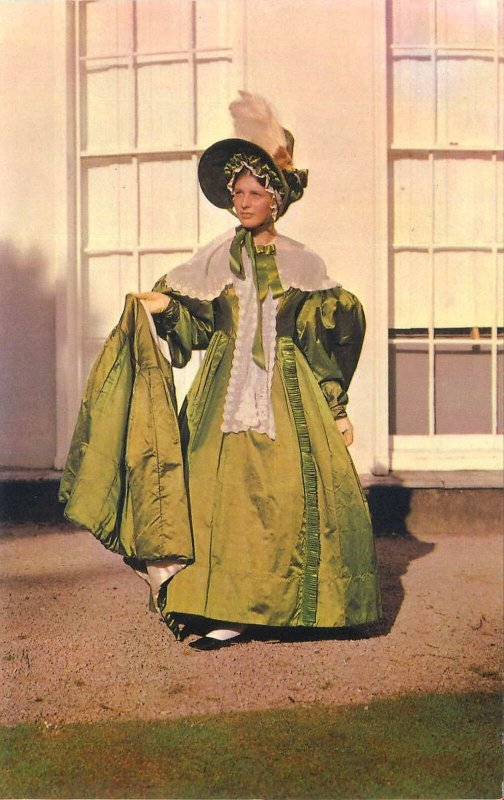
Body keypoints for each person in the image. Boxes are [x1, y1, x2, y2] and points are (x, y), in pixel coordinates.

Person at [131, 94, 382, 649]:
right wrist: (166, 308)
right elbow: (199, 326)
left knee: (284, 496)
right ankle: (219, 604)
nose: (243, 202)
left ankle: (275, 605)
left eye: (255, 193)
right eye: (238, 192)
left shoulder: (304, 264)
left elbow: (323, 340)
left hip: (287, 397)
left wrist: (337, 408)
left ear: (277, 199)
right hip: (222, 392)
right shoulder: (213, 259)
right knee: (213, 492)